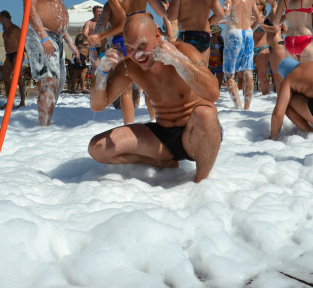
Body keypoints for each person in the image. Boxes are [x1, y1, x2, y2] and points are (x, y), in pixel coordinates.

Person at [88, 14, 221, 183]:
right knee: (97, 148)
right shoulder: (130, 66)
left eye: (142, 46)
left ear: (157, 36)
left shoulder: (183, 51)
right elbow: (97, 105)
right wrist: (102, 71)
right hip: (162, 138)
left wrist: (178, 61)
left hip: (196, 134)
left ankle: (201, 184)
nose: (138, 55)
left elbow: (213, 93)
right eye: (130, 48)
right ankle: (163, 163)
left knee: (205, 114)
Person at [88, 0, 168, 124]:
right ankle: (155, 120)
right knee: (150, 84)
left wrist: (99, 36)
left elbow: (123, 24)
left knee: (126, 89)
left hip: (126, 42)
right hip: (146, 39)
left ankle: (129, 125)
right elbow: (162, 12)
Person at [22, 0, 79, 126]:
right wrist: (43, 37)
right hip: (42, 34)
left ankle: (46, 124)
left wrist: (70, 42)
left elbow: (59, 17)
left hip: (56, 38)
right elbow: (29, 9)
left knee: (59, 82)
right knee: (50, 81)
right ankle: (43, 128)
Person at [167, 0, 225, 65]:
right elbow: (220, 14)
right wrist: (208, 22)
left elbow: (171, 16)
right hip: (204, 36)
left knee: (184, 71)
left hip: (187, 35)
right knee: (202, 70)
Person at [223, 0, 262, 109]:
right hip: (248, 34)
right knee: (248, 71)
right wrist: (251, 28)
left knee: (229, 74)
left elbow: (227, 12)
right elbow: (259, 19)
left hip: (234, 33)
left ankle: (238, 107)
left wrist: (214, 19)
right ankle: (247, 108)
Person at [260, 0, 287, 92]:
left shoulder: (275, 10)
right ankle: (280, 100)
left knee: (279, 77)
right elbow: (284, 29)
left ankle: (282, 100)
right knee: (277, 77)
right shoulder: (274, 10)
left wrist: (263, 26)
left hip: (277, 46)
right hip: (275, 46)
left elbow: (276, 29)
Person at [0, 10, 26, 107]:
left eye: (0, 19)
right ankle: (10, 101)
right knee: (5, 77)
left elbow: (24, 42)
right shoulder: (5, 30)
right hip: (9, 54)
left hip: (17, 53)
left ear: (4, 18)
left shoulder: (15, 29)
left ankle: (22, 101)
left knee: (18, 78)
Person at [252, 0, 272, 95]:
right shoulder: (248, 19)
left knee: (262, 76)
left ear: (262, 6)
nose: (254, 5)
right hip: (249, 49)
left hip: (262, 49)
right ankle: (246, 100)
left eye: (256, 4)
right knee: (244, 76)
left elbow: (279, 29)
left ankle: (266, 96)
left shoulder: (266, 19)